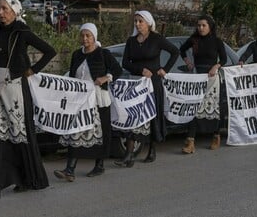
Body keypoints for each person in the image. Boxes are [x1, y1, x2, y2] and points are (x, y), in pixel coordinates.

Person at [0, 0, 56, 202]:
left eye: (4, 9)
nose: (0, 12)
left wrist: (32, 70)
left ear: (15, 11)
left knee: (20, 134)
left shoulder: (22, 31)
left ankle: (27, 178)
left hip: (16, 88)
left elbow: (49, 51)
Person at [53, 23, 123, 182]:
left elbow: (117, 71)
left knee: (100, 132)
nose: (85, 39)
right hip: (80, 99)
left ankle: (99, 165)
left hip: (98, 99)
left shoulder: (103, 53)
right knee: (75, 130)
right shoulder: (77, 54)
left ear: (94, 37)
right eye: (83, 35)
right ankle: (70, 169)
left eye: (88, 36)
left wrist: (106, 78)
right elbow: (72, 76)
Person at [117, 10, 179, 166]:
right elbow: (125, 63)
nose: (137, 24)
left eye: (140, 21)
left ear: (148, 23)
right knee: (133, 116)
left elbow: (175, 51)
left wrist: (165, 69)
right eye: (136, 21)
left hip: (153, 84)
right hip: (136, 84)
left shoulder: (157, 39)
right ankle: (129, 155)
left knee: (151, 116)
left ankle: (152, 149)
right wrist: (140, 71)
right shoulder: (131, 41)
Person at [179, 15, 227, 154]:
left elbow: (223, 59)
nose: (200, 28)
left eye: (203, 25)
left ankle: (216, 136)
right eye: (198, 25)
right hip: (197, 76)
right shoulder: (194, 40)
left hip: (212, 76)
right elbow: (182, 50)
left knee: (214, 107)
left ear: (210, 26)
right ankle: (190, 142)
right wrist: (188, 61)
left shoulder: (217, 41)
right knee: (194, 108)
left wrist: (216, 66)